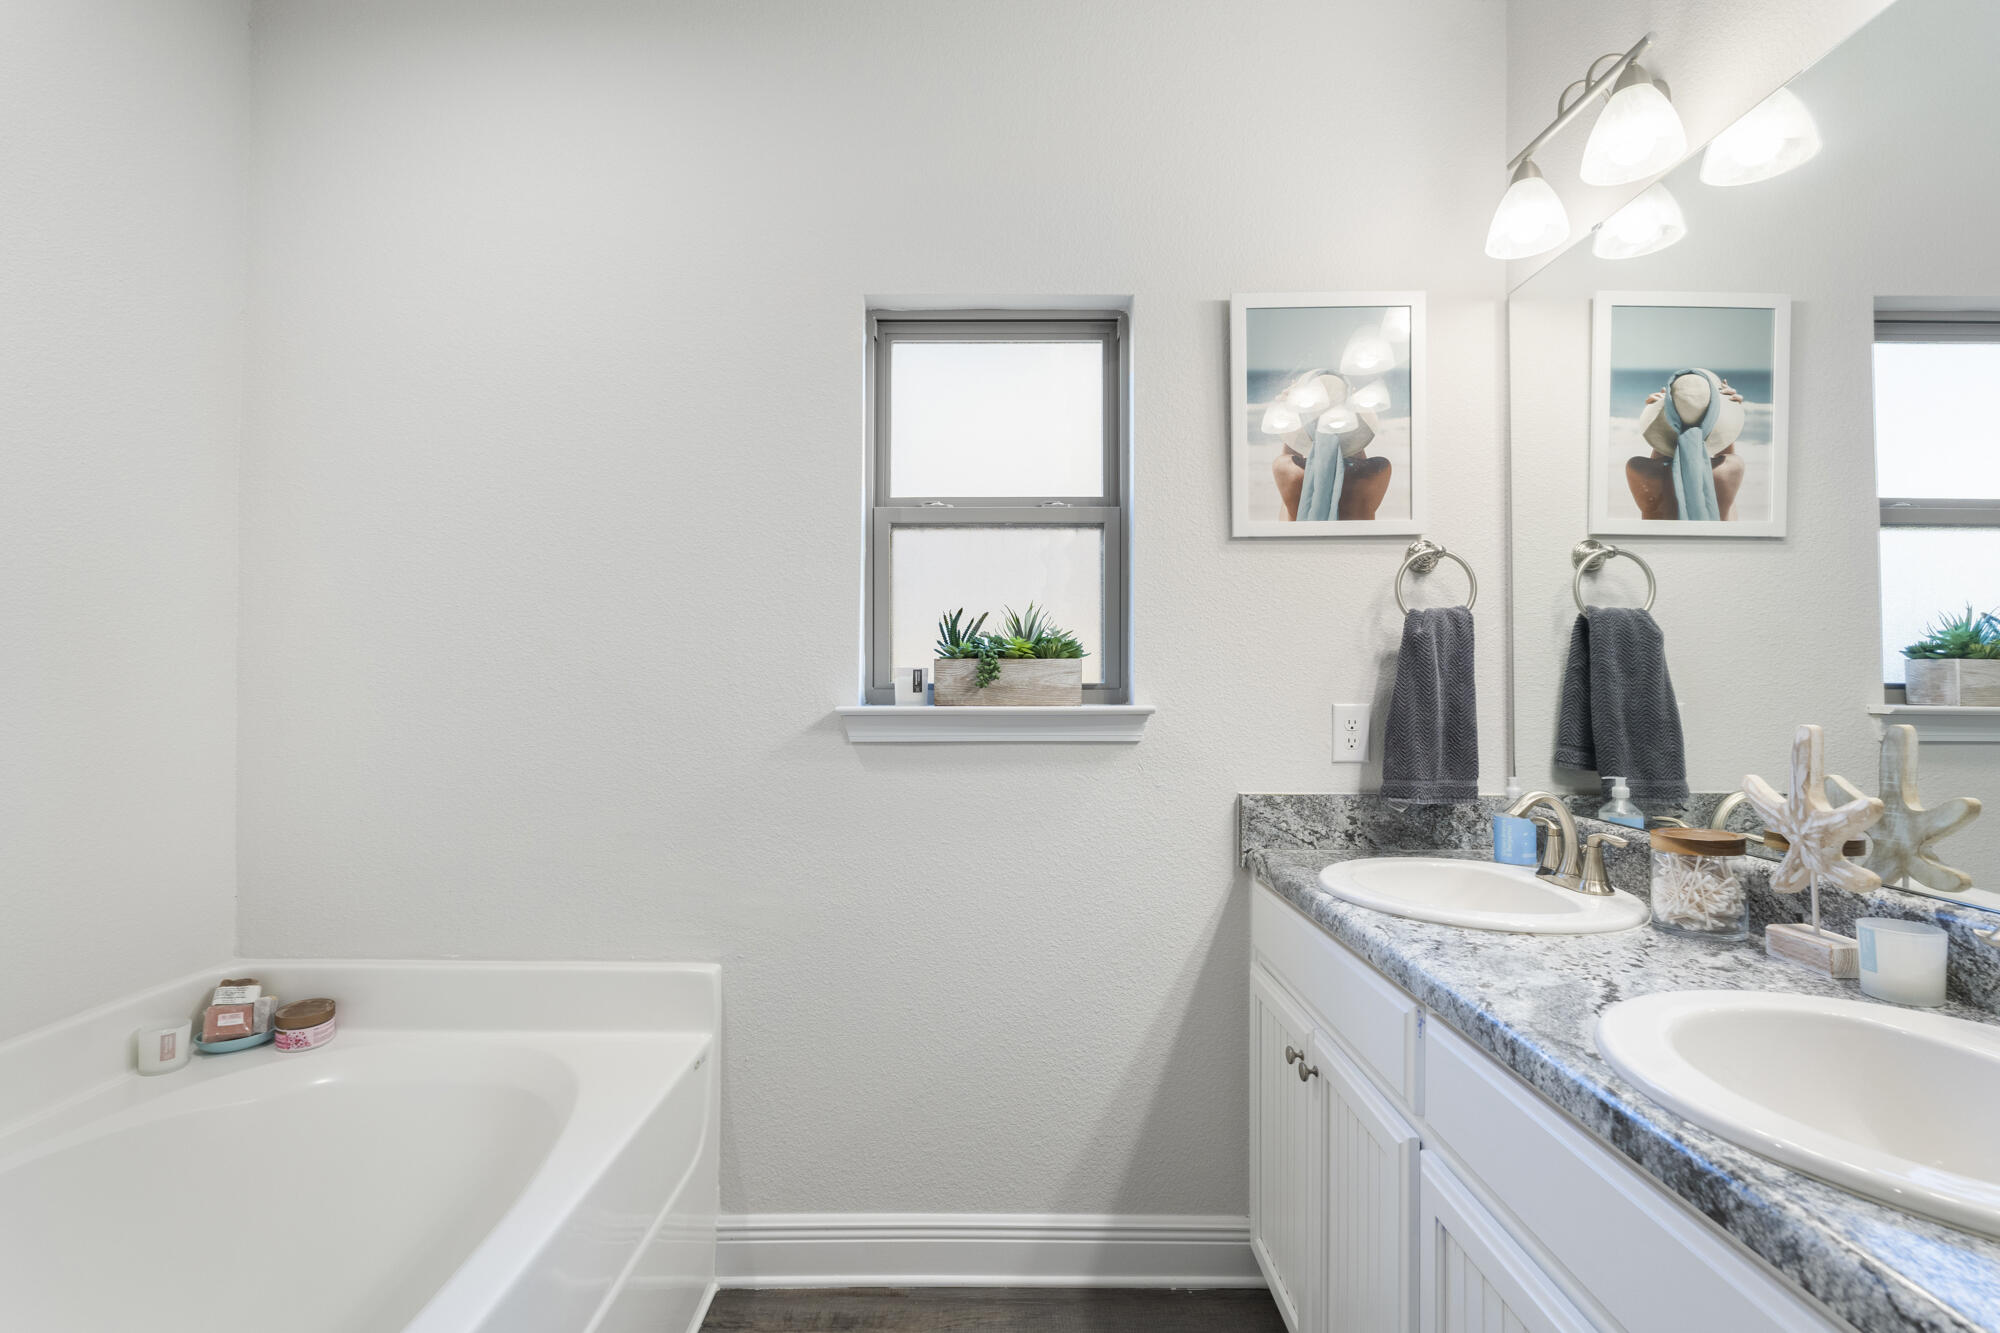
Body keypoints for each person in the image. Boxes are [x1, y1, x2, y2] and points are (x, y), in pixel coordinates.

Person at [1626, 377, 1747, 520]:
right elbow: (1724, 446)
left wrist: (1660, 416)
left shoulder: (1638, 469)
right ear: (1714, 419)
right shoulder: (1733, 467)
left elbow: (1662, 456)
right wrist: (1728, 410)